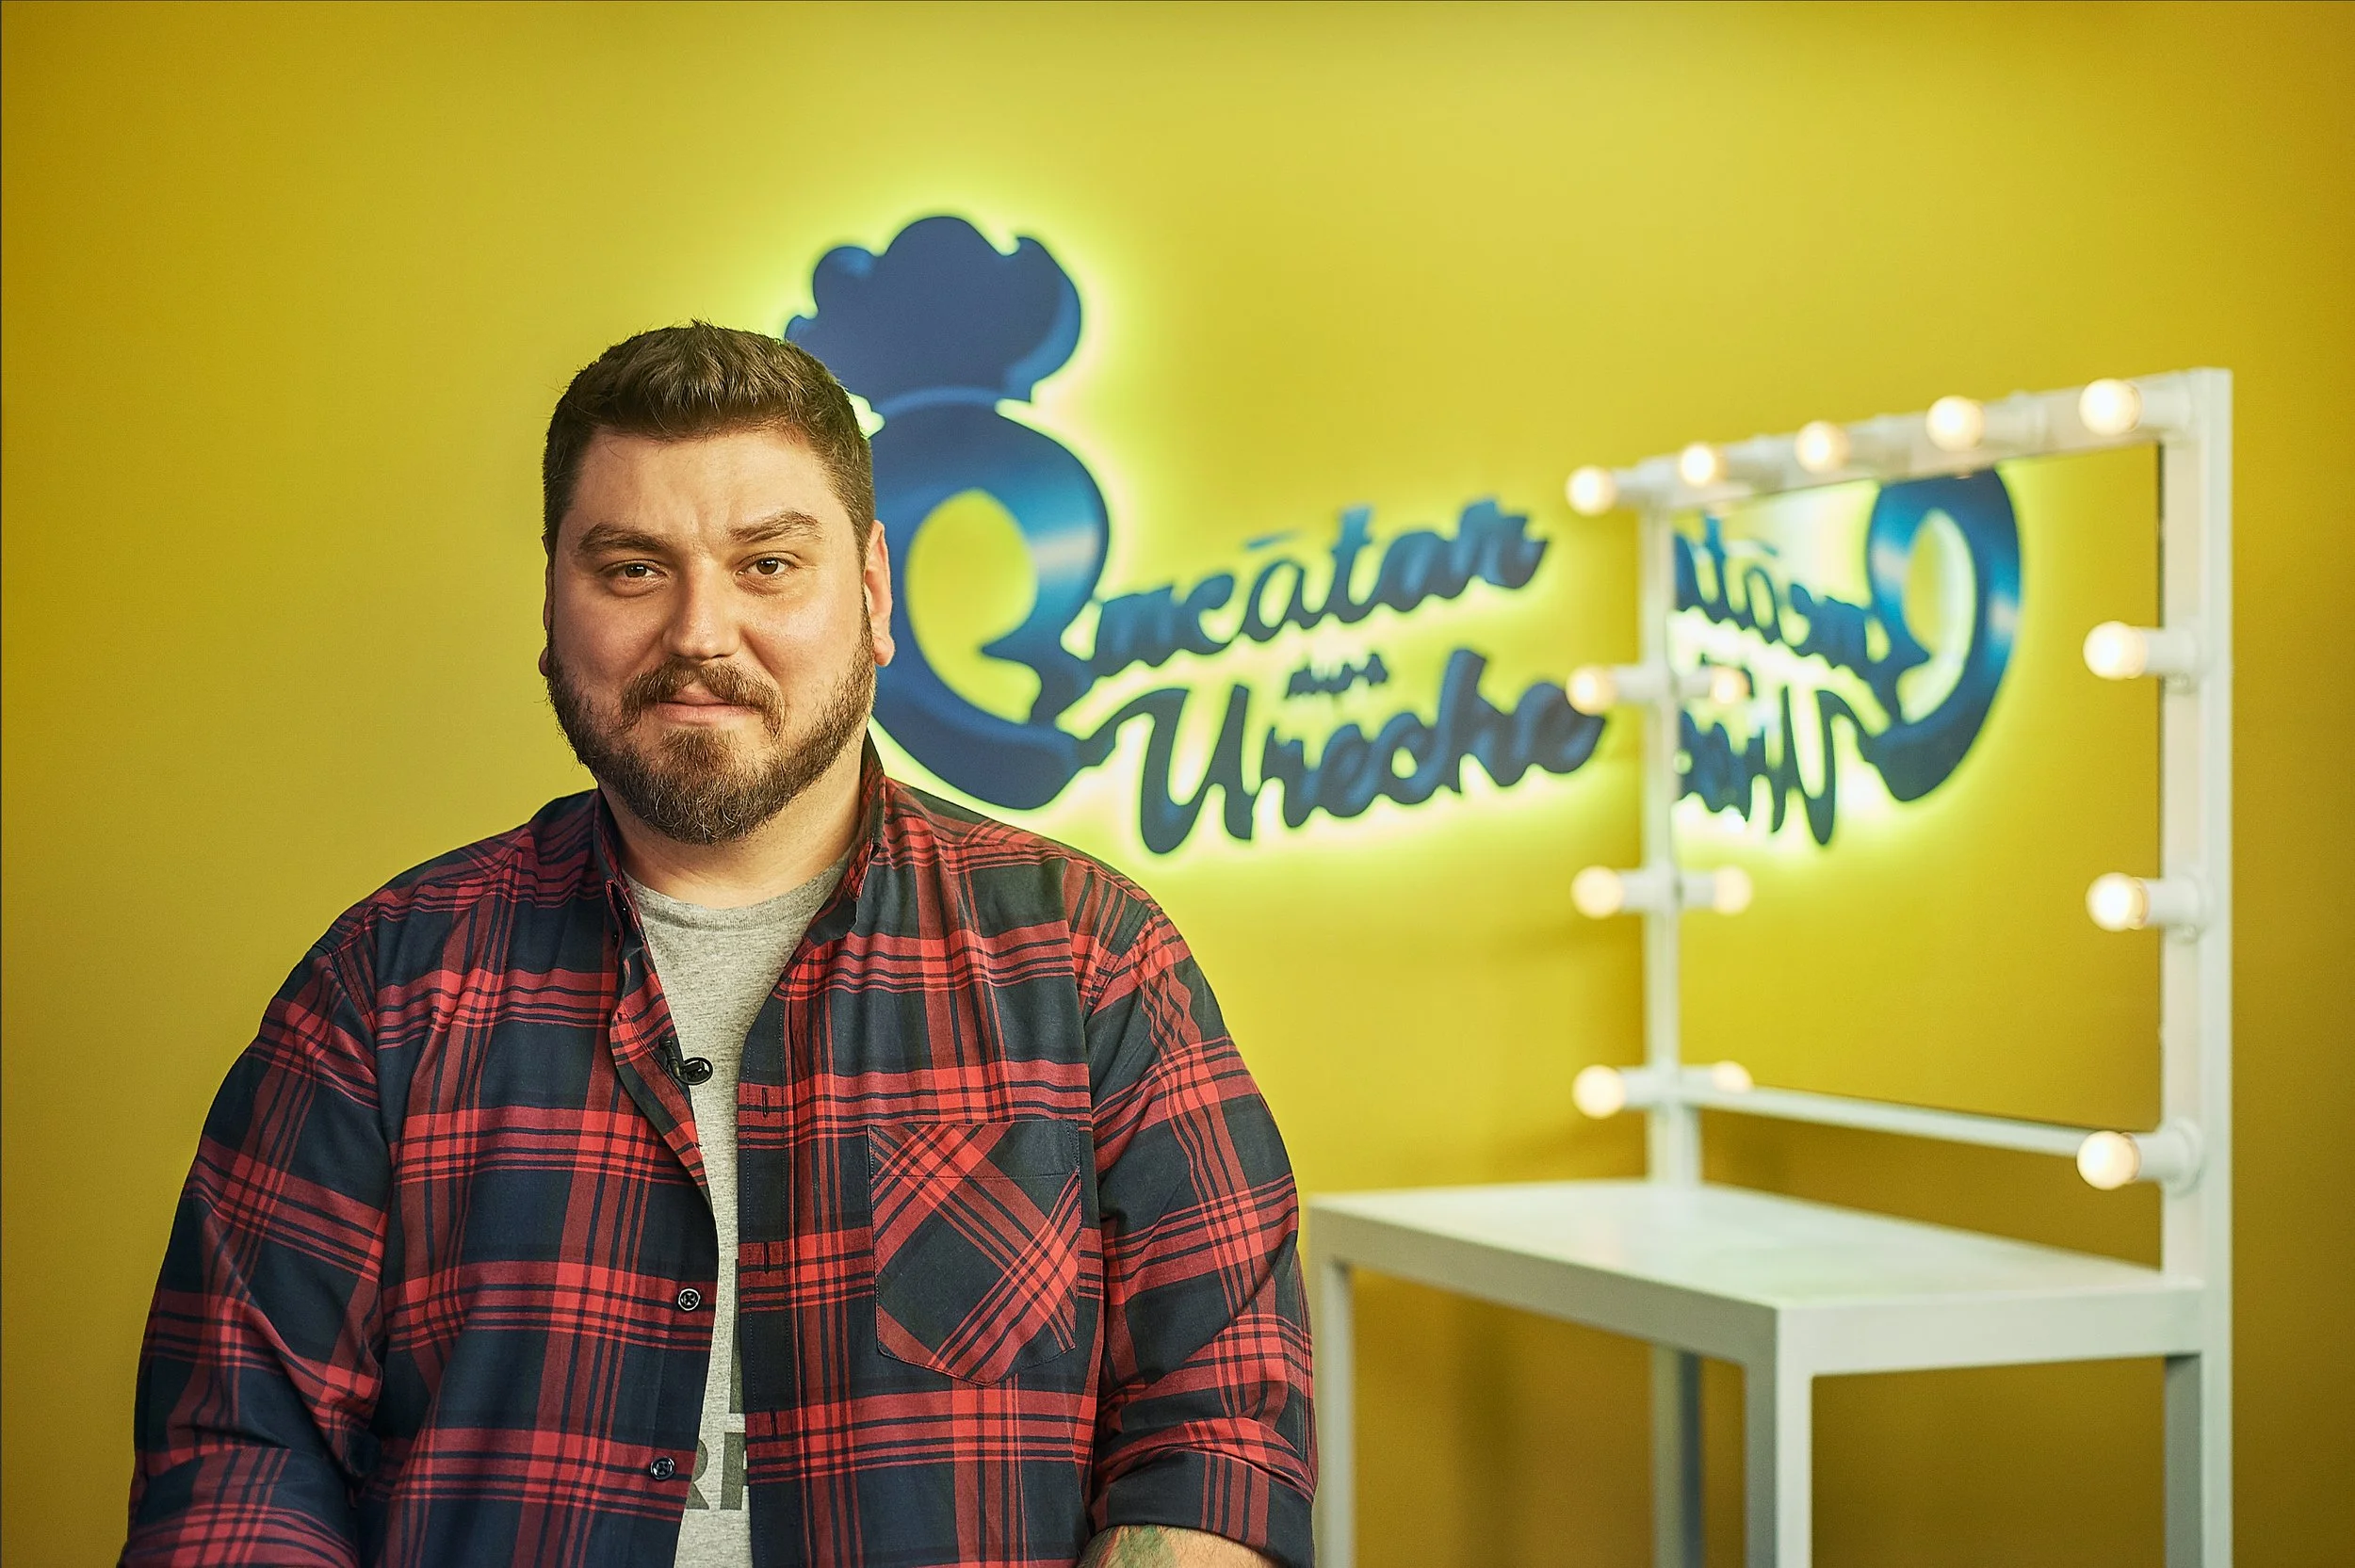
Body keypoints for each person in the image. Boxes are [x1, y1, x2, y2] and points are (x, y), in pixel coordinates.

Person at [123, 325, 1316, 1568]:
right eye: (634, 569)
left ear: (873, 593)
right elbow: (240, 1457)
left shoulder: (1088, 962)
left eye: (768, 565)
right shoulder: (384, 985)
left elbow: (1220, 1434)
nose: (700, 632)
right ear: (551, 605)